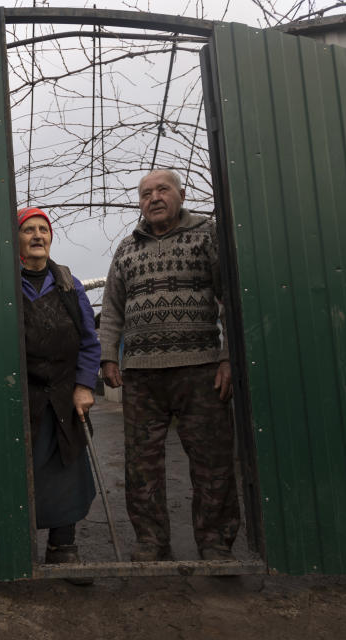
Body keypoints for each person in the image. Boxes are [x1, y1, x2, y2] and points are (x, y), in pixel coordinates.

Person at [99, 169, 239, 562]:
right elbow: (111, 307)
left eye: (162, 190)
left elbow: (229, 296)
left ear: (181, 193)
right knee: (141, 466)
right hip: (142, 375)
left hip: (201, 370)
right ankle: (151, 542)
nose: (154, 198)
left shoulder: (208, 234)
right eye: (146, 193)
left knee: (212, 462)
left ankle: (215, 543)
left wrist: (228, 357)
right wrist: (110, 356)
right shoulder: (127, 249)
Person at [17, 206, 101, 573]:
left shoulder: (69, 283)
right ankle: (17, 548)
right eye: (28, 229)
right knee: (20, 471)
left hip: (64, 395)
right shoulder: (5, 281)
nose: (38, 235)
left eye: (43, 229)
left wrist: (84, 385)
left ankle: (62, 547)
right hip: (22, 394)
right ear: (15, 239)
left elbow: (89, 340)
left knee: (66, 469)